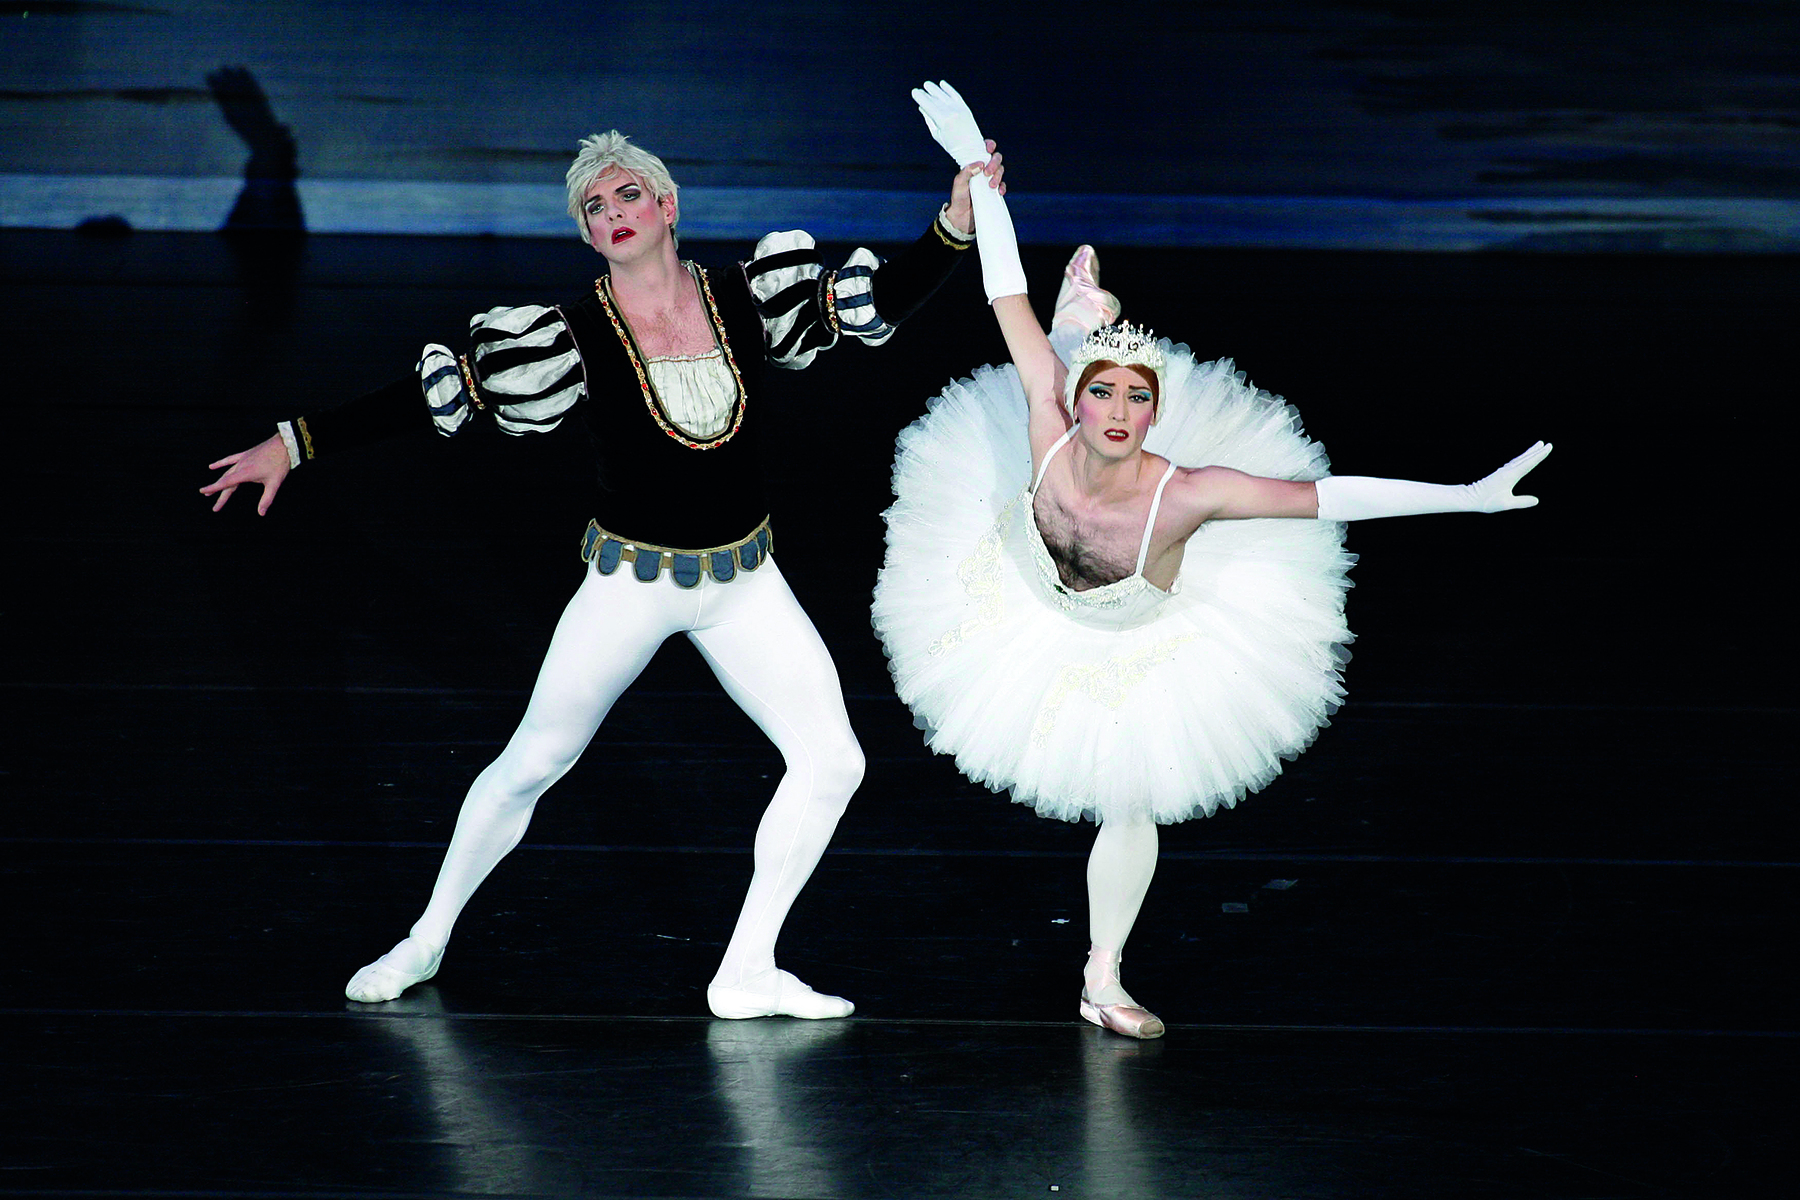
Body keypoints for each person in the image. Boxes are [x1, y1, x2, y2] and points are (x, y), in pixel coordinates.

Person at [203, 121, 1002, 1019]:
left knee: (833, 760)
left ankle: (745, 968)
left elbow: (878, 305)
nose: (612, 211)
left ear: (667, 207)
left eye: (628, 195)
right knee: (532, 762)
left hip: (744, 581)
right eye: (594, 206)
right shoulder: (571, 337)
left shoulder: (748, 297)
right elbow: (438, 393)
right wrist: (295, 442)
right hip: (633, 583)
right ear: (587, 236)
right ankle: (425, 939)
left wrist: (954, 224)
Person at [874, 82, 1551, 1038]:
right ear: (1078, 402)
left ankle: (1102, 978)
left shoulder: (1188, 491)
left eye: (1134, 399)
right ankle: (1087, 316)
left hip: (1139, 630)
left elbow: (1327, 499)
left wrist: (1466, 495)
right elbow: (999, 291)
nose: (1114, 411)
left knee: (1133, 793)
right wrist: (980, 181)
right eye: (1099, 392)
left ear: (1156, 410)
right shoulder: (1046, 417)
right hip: (1026, 593)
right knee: (1048, 335)